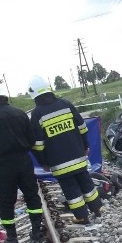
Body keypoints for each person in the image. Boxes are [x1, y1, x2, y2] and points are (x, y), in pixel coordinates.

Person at [27, 75, 103, 225]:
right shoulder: (65, 104)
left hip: (59, 162)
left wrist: (43, 161)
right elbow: (82, 126)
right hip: (78, 156)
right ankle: (98, 209)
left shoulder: (37, 114)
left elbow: (38, 144)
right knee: (86, 182)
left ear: (33, 94)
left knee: (71, 189)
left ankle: (82, 217)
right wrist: (85, 146)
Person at [0, 81, 43, 243]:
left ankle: (12, 239)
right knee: (31, 195)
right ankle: (36, 230)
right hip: (23, 160)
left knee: (6, 201)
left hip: (2, 165)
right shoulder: (19, 113)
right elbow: (31, 139)